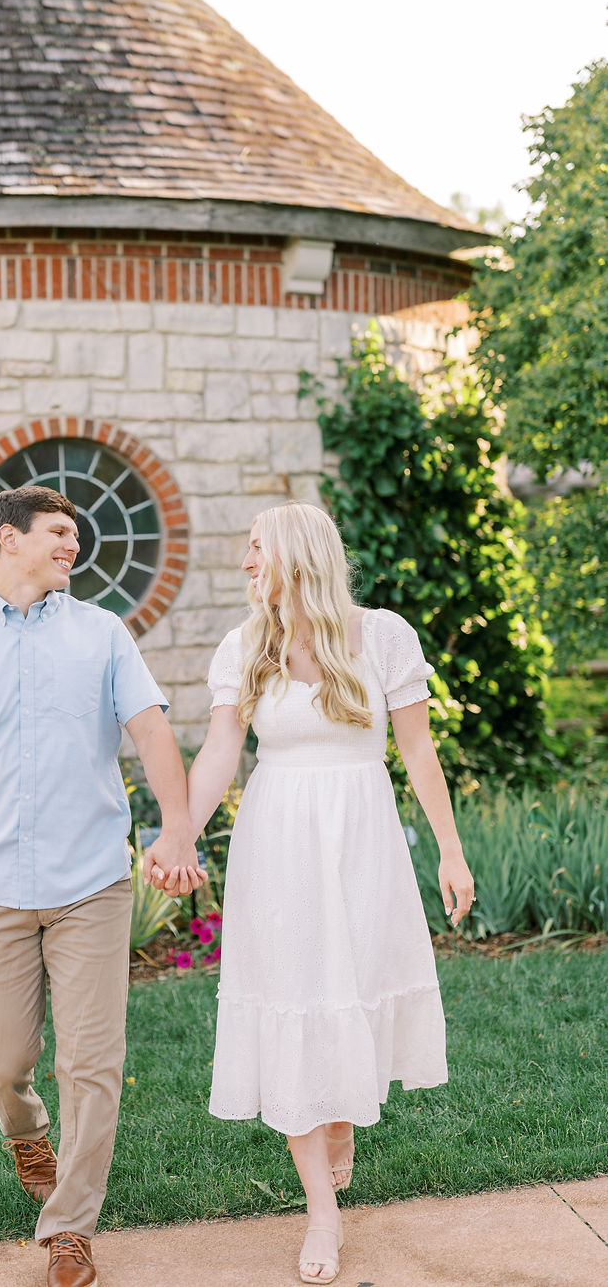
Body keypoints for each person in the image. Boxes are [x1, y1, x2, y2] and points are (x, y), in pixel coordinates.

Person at [0, 484, 203, 1287]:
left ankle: (69, 1225)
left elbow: (152, 729)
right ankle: (26, 1131)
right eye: (59, 532)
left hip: (91, 881)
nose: (73, 545)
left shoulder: (103, 635)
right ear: (8, 538)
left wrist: (177, 825)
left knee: (91, 1063)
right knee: (1, 1060)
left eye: (77, 533)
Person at [150, 503, 474, 1285]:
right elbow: (223, 746)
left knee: (350, 986)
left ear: (296, 552)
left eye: (256, 548)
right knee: (292, 989)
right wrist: (182, 833)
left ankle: (338, 1119)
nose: (245, 563)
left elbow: (418, 749)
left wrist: (451, 851)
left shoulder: (385, 634)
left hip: (363, 835)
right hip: (281, 840)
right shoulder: (246, 645)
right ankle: (321, 1210)